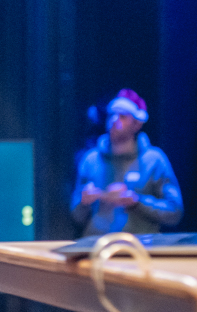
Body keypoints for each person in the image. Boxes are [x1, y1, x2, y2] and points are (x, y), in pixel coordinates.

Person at [70, 89, 183, 236]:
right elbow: (76, 217)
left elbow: (175, 212)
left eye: (122, 116)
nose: (114, 120)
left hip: (140, 246)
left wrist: (137, 202)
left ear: (136, 124)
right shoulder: (91, 160)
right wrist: (84, 202)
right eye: (111, 115)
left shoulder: (154, 160)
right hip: (97, 245)